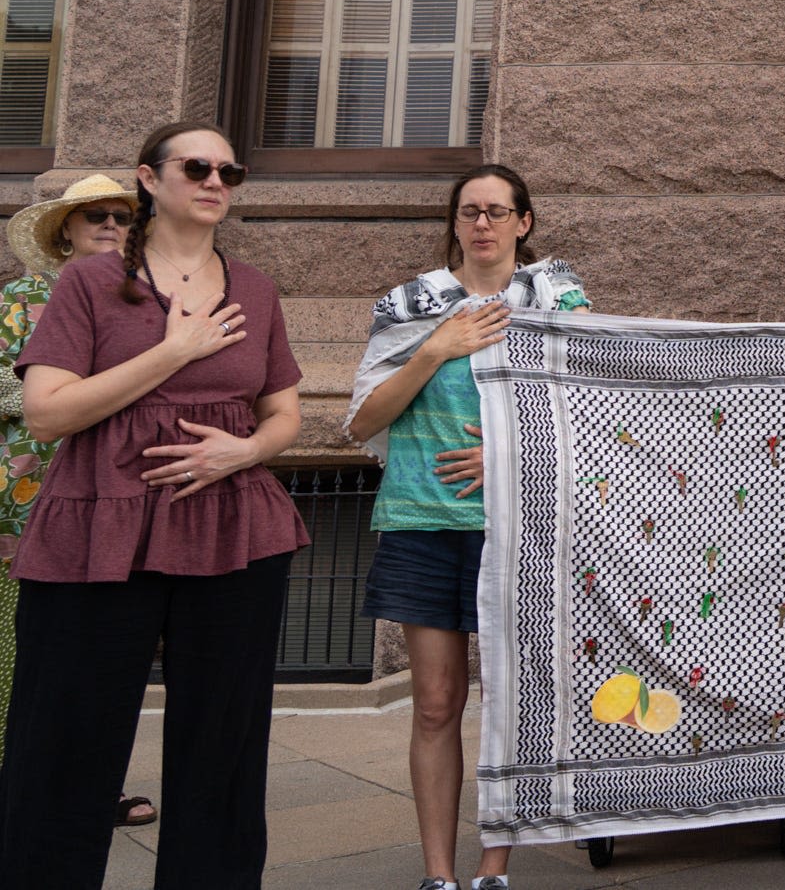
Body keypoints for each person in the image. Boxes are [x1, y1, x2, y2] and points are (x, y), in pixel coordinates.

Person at [0, 121, 308, 889]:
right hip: (98, 523)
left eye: (229, 171)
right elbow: (47, 412)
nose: (215, 182)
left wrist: (243, 451)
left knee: (224, 745)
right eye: (197, 166)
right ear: (149, 177)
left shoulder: (258, 289)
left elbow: (285, 412)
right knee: (65, 737)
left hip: (234, 527)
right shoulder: (90, 283)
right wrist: (173, 351)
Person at [345, 164, 590, 890]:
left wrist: (510, 450)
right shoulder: (411, 304)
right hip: (423, 522)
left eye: (496, 210)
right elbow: (362, 419)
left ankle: (493, 868)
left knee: (510, 696)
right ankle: (437, 874)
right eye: (468, 211)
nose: (481, 223)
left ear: (524, 222)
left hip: (521, 527)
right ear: (454, 222)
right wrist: (433, 349)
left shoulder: (558, 304)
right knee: (436, 702)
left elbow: (594, 414)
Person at [0, 174, 156, 830]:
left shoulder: (144, 297)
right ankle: (17, 784)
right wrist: (78, 390)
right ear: (65, 227)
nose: (111, 223)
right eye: (95, 214)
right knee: (22, 649)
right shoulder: (23, 298)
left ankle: (97, 784)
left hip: (115, 498)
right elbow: (16, 398)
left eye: (124, 215)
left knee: (104, 649)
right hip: (25, 502)